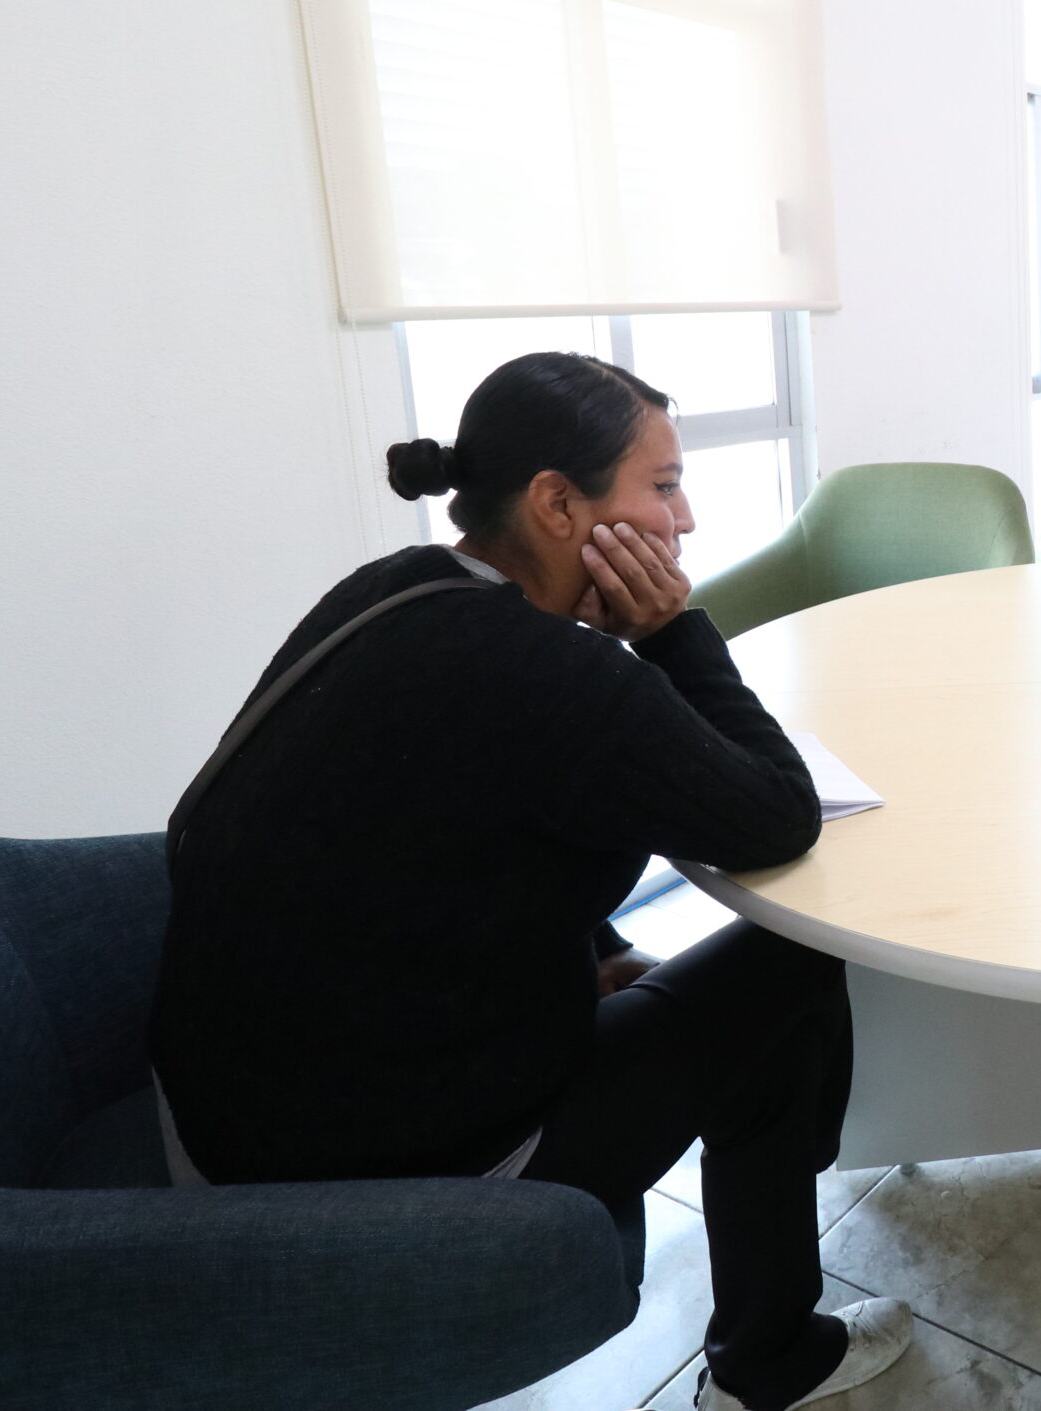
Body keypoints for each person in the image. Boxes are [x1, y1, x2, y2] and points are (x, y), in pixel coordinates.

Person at [149, 352, 910, 1411]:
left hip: (226, 1122)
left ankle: (774, 1189)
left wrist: (596, 950)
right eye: (663, 486)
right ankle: (770, 1360)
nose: (685, 521)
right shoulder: (555, 675)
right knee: (789, 972)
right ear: (558, 504)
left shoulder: (389, 589)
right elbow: (778, 816)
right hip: (394, 1177)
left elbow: (446, 826)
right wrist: (671, 630)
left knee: (714, 990)